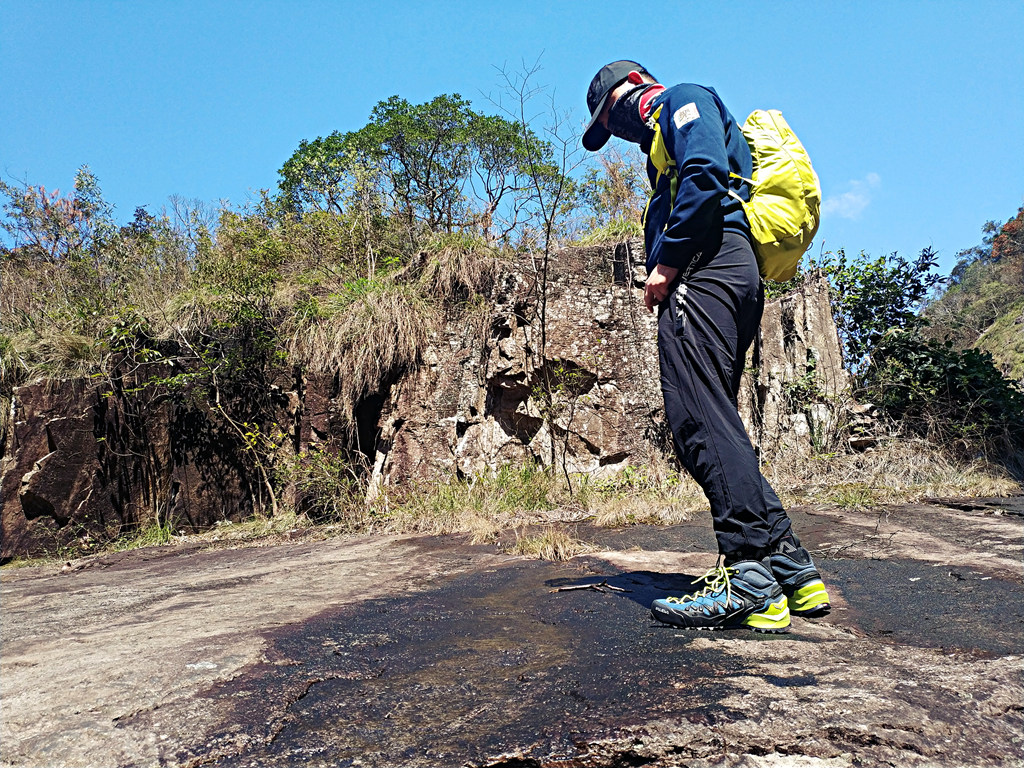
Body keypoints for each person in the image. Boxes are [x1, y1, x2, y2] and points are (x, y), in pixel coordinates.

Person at [582, 61, 830, 633]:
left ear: (633, 84)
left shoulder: (683, 99)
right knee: (718, 420)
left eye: (610, 112)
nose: (615, 127)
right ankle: (790, 566)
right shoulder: (661, 135)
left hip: (707, 264)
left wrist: (666, 263)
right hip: (729, 269)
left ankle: (748, 579)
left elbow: (704, 171)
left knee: (696, 418)